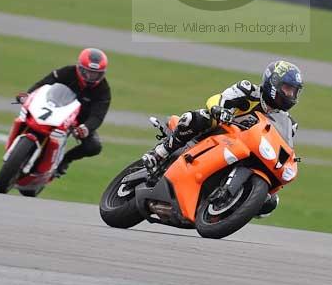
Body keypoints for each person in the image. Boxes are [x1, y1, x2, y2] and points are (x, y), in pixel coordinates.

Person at [141, 59, 303, 218]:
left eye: (294, 91)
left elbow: (283, 145)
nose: (290, 95)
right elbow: (218, 99)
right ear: (273, 83)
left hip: (247, 148)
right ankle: (160, 153)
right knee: (198, 118)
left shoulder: (288, 122)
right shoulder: (248, 90)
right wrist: (219, 109)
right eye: (287, 89)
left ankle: (234, 202)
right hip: (220, 132)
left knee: (271, 202)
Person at [16, 48, 110, 177]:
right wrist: (28, 95)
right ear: (79, 68)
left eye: (95, 74)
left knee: (94, 147)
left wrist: (86, 128)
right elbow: (44, 83)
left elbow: (98, 116)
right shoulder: (67, 72)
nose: (90, 77)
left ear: (102, 74)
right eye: (87, 72)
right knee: (28, 115)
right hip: (55, 108)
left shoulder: (103, 90)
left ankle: (65, 160)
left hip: (79, 120)